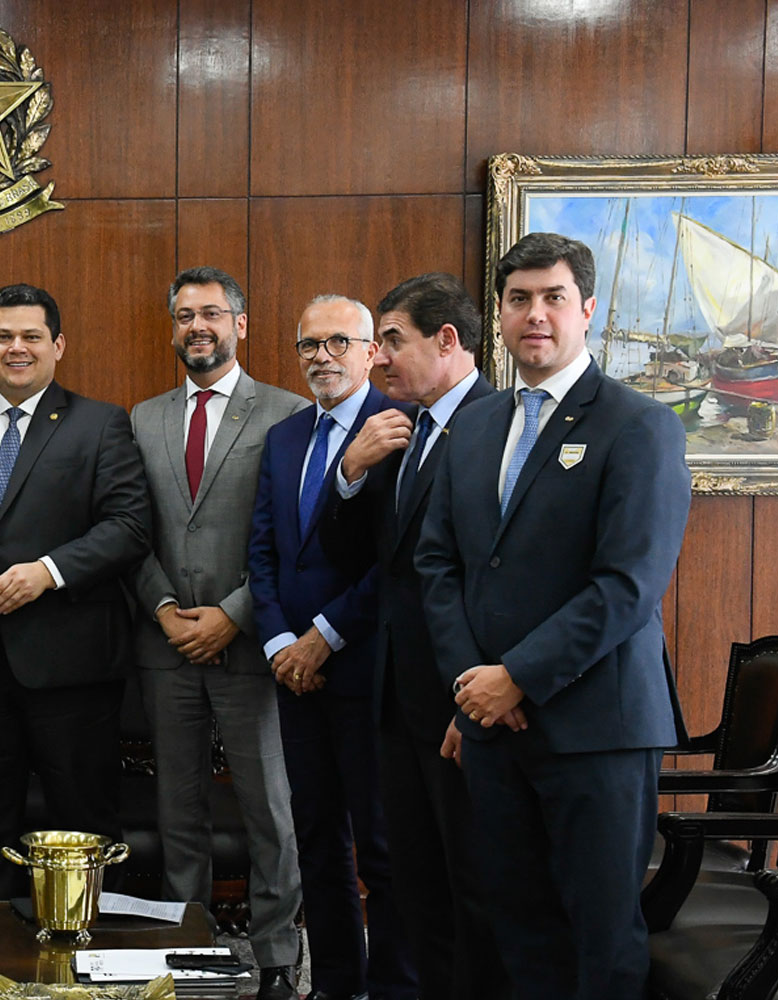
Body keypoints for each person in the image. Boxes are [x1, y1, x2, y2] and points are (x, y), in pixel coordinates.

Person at [415, 233, 690, 1000]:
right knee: (518, 934)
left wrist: (518, 677)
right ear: (500, 315)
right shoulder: (475, 426)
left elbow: (628, 584)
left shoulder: (639, 425)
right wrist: (473, 685)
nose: (535, 314)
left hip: (596, 727)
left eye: (553, 298)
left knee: (600, 940)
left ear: (587, 310)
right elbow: (437, 563)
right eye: (518, 299)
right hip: (493, 729)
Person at [0, 283, 150, 899]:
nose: (16, 347)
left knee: (85, 825)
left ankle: (87, 949)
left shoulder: (100, 423)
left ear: (58, 345)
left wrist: (48, 570)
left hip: (70, 668)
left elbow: (129, 527)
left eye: (31, 336)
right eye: (3, 336)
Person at [129, 267, 306, 1000]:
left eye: (210, 313)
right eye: (183, 316)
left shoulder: (289, 414)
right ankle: (188, 944)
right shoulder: (142, 419)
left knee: (269, 809)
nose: (196, 326)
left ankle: (277, 957)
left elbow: (295, 536)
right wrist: (165, 609)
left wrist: (234, 613)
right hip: (165, 643)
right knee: (179, 809)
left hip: (251, 643)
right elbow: (129, 529)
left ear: (240, 324)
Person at [327, 273, 504, 999]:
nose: (377, 359)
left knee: (474, 892)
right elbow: (358, 556)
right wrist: (351, 469)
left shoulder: (499, 424)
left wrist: (470, 698)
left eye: (392, 341)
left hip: (465, 701)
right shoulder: (401, 429)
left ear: (448, 340)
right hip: (397, 700)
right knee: (413, 885)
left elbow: (497, 580)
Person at [248, 295, 416, 1000]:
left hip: (367, 668)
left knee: (380, 846)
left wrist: (323, 637)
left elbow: (395, 559)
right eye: (309, 345)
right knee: (315, 839)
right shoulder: (285, 437)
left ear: (372, 350)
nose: (322, 357)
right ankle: (336, 986)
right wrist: (281, 642)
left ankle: (395, 987)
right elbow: (263, 551)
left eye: (338, 342)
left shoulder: (400, 426)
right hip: (294, 674)